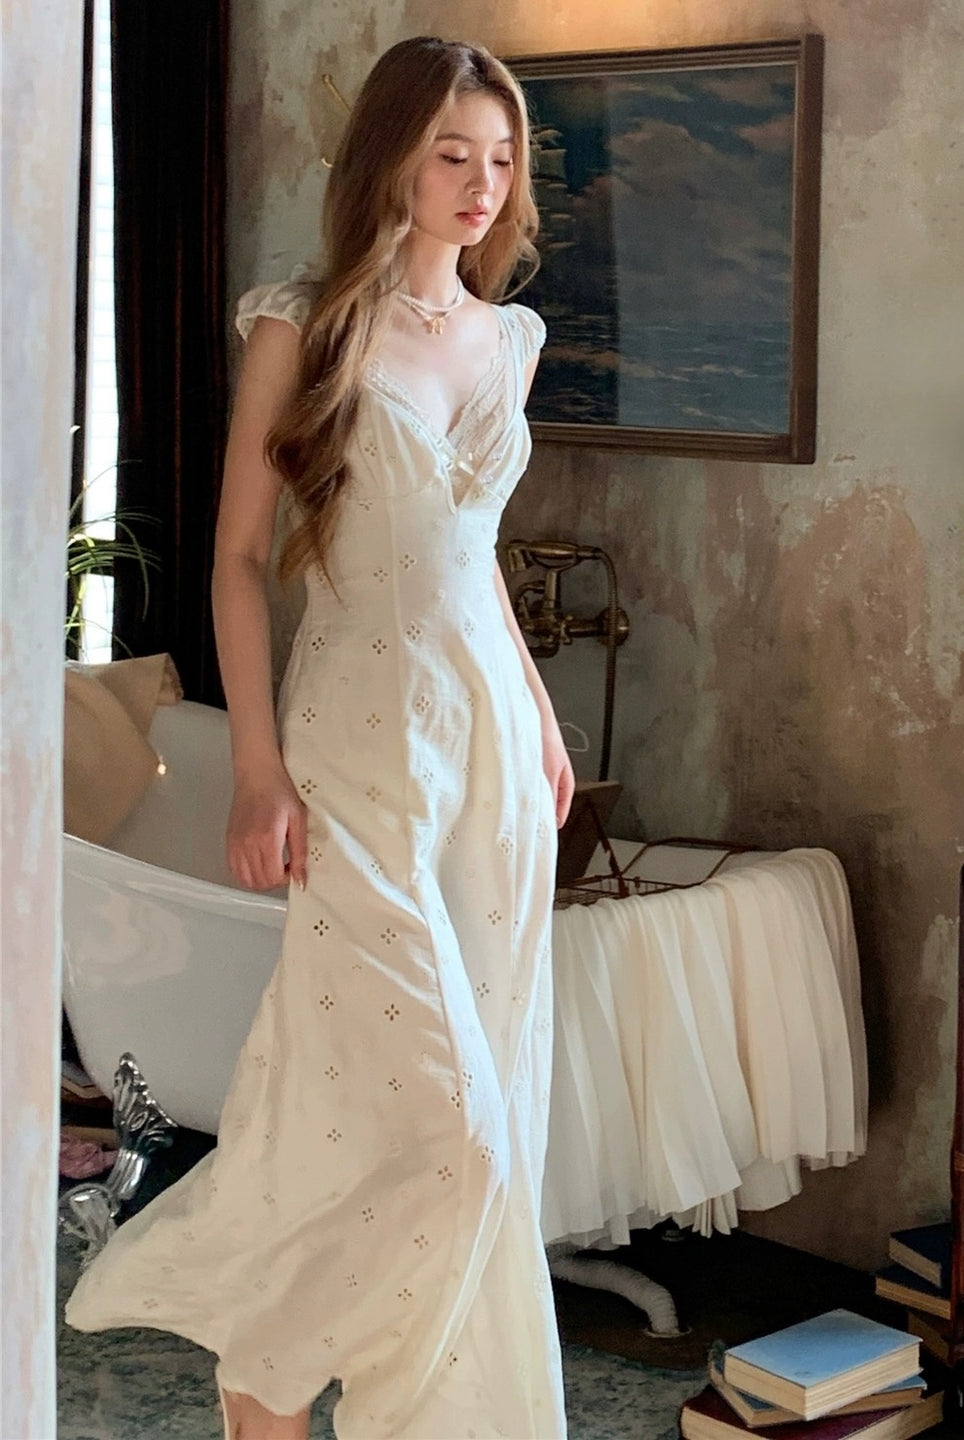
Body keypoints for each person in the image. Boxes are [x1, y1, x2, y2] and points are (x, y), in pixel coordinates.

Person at [65, 36, 574, 1440]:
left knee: (403, 1107)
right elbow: (239, 558)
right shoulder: (302, 328)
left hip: (489, 755)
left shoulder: (508, 340)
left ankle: (351, 1396)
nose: (481, 183)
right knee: (455, 1127)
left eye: (501, 158)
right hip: (356, 745)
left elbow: (477, 554)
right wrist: (256, 769)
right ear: (391, 158)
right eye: (451, 152)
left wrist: (539, 718)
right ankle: (270, 1368)